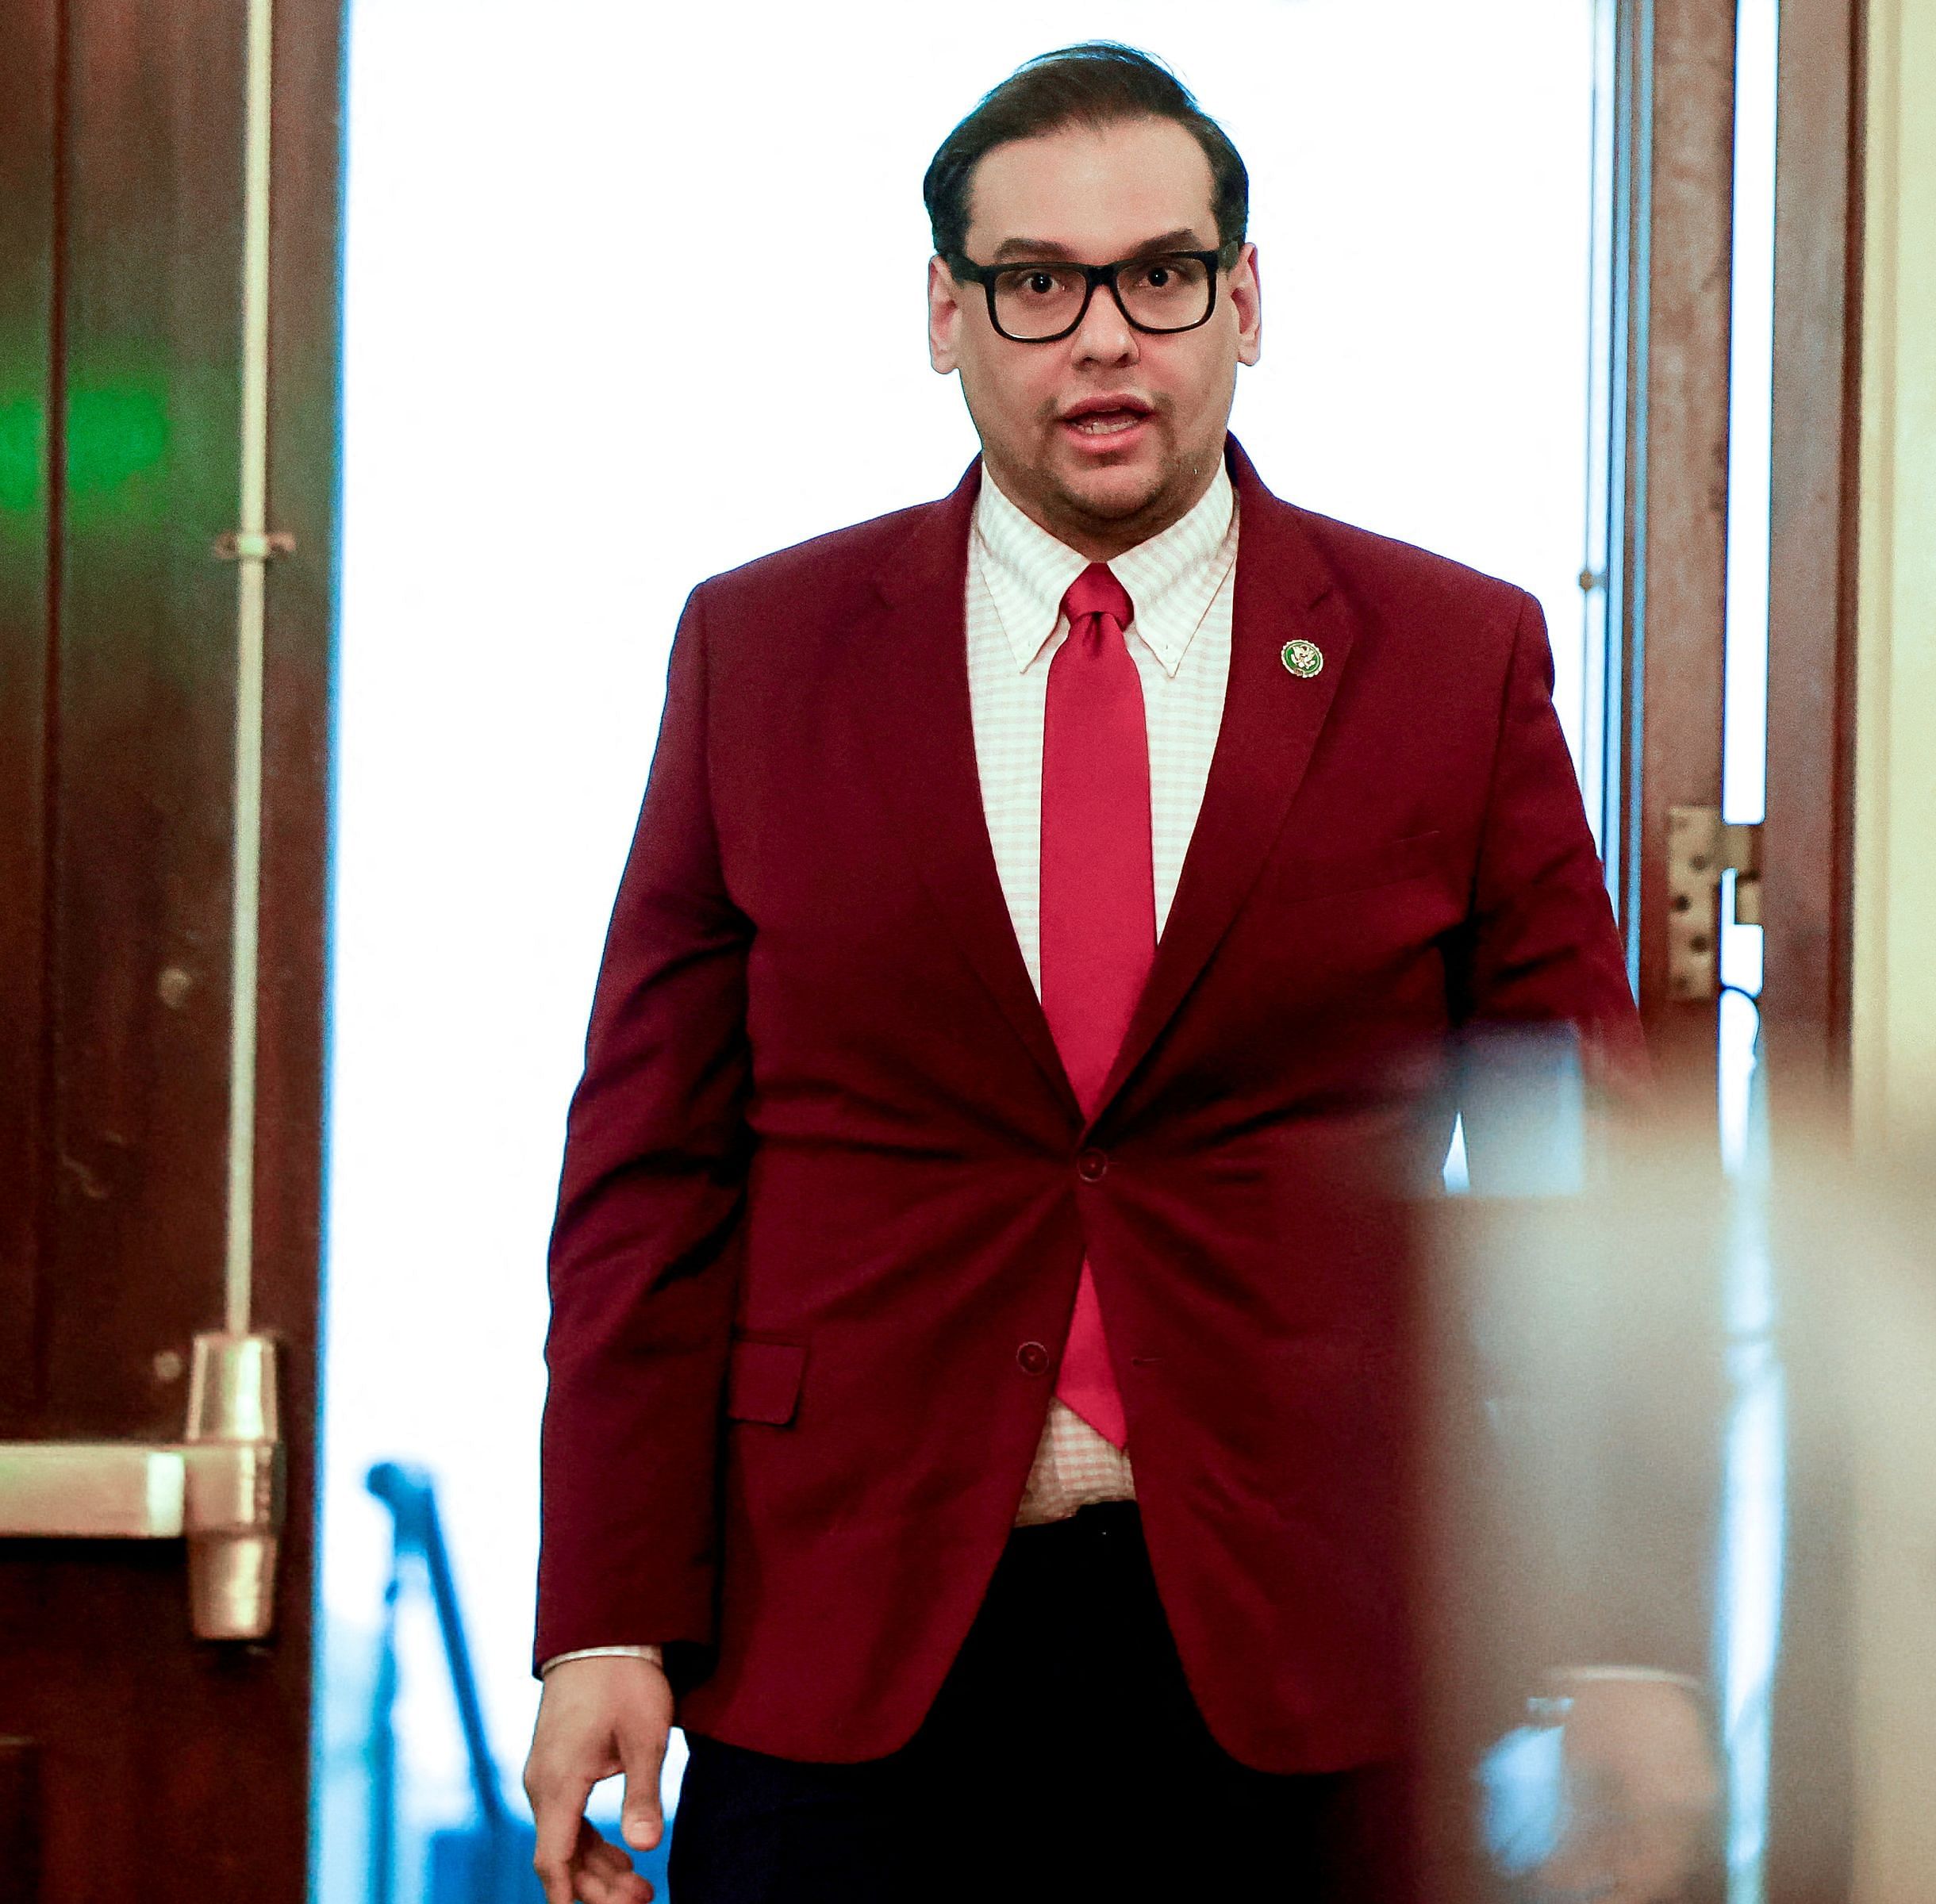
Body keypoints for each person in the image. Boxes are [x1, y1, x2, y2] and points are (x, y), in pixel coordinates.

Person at [517, 44, 1640, 1903]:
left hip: (1312, 1658)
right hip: (846, 1644)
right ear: (946, 314)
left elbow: (1583, 1169)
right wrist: (604, 1617)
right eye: (1037, 282)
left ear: (1247, 299)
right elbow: (647, 1170)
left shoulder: (1452, 655)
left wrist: (1619, 1629)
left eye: (1162, 274)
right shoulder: (761, 651)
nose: (1104, 335)